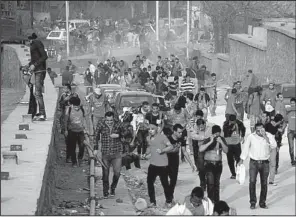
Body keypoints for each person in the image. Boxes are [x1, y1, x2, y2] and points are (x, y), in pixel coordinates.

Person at [239, 122, 277, 209]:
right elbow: (245, 148)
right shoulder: (251, 137)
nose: (259, 131)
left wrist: (265, 137)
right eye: (257, 130)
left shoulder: (269, 135)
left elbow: (274, 146)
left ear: (264, 129)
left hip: (265, 162)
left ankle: (262, 202)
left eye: (261, 129)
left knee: (264, 183)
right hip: (253, 162)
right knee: (252, 182)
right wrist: (241, 159)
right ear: (255, 130)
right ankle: (252, 202)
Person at [94, 111, 123, 198]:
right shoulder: (101, 124)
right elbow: (96, 136)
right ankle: (105, 191)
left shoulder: (118, 124)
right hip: (105, 152)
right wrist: (95, 149)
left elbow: (127, 134)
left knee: (117, 173)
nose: (109, 122)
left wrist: (118, 135)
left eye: (111, 120)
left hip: (116, 152)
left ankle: (113, 188)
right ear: (105, 119)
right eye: (107, 120)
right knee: (105, 174)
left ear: (113, 119)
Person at [145, 124, 174, 208]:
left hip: (162, 165)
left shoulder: (162, 137)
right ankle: (152, 202)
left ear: (156, 129)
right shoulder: (148, 138)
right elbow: (149, 147)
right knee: (149, 183)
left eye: (152, 129)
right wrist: (145, 154)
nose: (150, 130)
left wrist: (162, 150)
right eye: (149, 129)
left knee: (165, 184)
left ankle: (169, 201)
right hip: (152, 164)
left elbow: (171, 146)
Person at [166, 124, 196, 203]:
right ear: (174, 131)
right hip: (165, 160)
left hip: (175, 160)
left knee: (173, 180)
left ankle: (169, 198)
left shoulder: (181, 139)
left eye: (181, 132)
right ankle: (168, 197)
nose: (181, 134)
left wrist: (191, 164)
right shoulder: (167, 139)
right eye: (179, 132)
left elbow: (184, 151)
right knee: (165, 181)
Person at [199, 125, 228, 204]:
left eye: (218, 133)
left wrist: (221, 142)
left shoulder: (222, 140)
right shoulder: (208, 140)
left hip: (218, 164)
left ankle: (216, 202)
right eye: (215, 133)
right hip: (209, 164)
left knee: (216, 184)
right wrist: (210, 142)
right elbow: (200, 149)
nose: (217, 135)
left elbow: (226, 151)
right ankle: (210, 202)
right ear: (212, 133)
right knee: (210, 184)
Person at [27, 33, 48, 121]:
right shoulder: (35, 44)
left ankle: (42, 114)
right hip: (37, 70)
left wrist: (34, 65)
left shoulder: (36, 43)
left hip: (40, 70)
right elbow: (35, 59)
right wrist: (28, 65)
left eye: (28, 41)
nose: (28, 43)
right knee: (37, 93)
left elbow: (44, 56)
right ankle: (41, 112)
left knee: (38, 93)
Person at [64, 96, 86, 167]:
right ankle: (74, 162)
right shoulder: (69, 110)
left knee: (82, 146)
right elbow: (66, 121)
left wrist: (85, 129)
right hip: (72, 131)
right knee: (72, 147)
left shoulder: (82, 109)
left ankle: (80, 159)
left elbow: (84, 119)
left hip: (80, 131)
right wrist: (66, 130)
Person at [264, 114, 286, 185]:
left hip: (274, 146)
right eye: (281, 121)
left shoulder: (277, 126)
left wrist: (278, 144)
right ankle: (265, 178)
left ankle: (271, 179)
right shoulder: (268, 125)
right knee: (266, 163)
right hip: (267, 146)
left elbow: (280, 136)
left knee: (273, 163)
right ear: (279, 121)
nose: (281, 122)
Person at [223, 114, 246, 179]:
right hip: (229, 144)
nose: (232, 123)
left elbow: (243, 128)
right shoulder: (225, 124)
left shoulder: (239, 123)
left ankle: (238, 171)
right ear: (229, 120)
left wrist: (243, 136)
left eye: (234, 122)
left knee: (238, 158)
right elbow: (225, 134)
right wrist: (230, 129)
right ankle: (233, 173)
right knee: (230, 160)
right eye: (231, 122)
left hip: (236, 143)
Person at [286, 98, 296, 167]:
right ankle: (292, 161)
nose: (292, 104)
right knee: (291, 147)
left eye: (294, 103)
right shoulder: (288, 110)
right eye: (291, 103)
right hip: (290, 131)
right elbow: (286, 110)